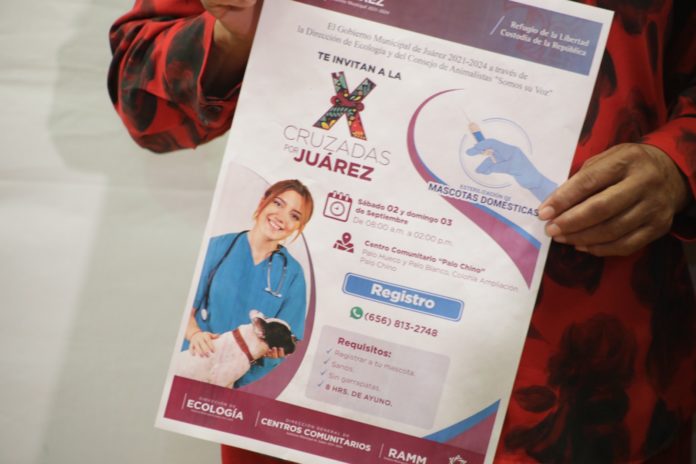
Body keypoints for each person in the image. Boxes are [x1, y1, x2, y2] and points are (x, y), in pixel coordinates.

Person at [108, 1, 696, 462]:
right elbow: (144, 103)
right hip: (317, 406)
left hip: (581, 382)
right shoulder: (259, 262)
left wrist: (678, 164)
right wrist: (233, 36)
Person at [184, 178, 313, 388]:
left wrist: (269, 355)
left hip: (233, 379)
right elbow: (181, 307)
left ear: (299, 226)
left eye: (294, 216)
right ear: (263, 202)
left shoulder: (293, 274)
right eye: (278, 203)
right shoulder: (217, 248)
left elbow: (288, 341)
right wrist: (195, 334)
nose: (281, 218)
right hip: (191, 361)